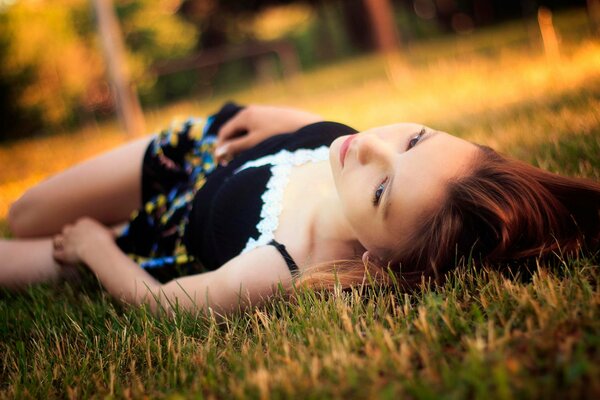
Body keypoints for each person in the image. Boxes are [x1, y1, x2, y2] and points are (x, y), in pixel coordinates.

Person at [1, 103, 599, 316]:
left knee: (17, 251)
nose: (368, 146)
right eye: (415, 140)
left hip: (151, 240)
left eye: (382, 190)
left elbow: (164, 306)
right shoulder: (353, 145)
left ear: (376, 260)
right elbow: (328, 130)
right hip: (196, 152)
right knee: (25, 211)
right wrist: (281, 117)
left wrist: (97, 250)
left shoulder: (281, 265)